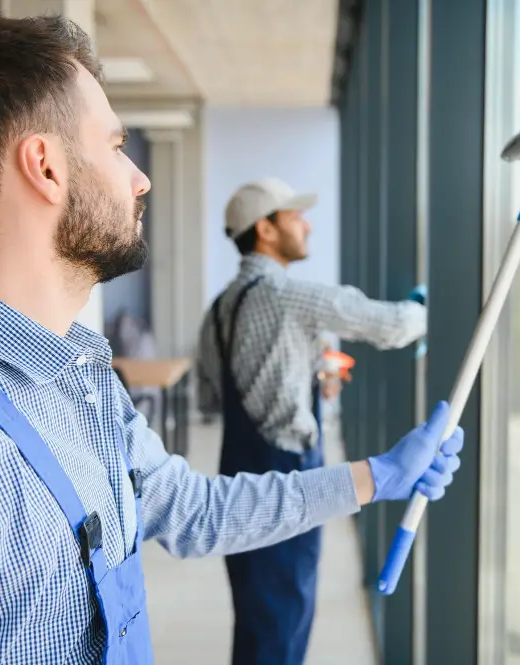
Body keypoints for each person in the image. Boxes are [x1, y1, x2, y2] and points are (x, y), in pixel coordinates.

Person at [0, 14, 464, 665]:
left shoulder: (83, 382)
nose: (140, 178)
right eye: (115, 147)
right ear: (46, 167)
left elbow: (196, 509)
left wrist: (378, 476)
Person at [196, 177, 433, 665]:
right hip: (289, 470)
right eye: (294, 216)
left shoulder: (218, 311)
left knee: (260, 617)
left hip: (238, 467)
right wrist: (425, 306)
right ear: (265, 229)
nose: (306, 225)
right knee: (284, 619)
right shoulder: (287, 295)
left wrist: (302, 375)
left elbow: (212, 394)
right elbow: (391, 326)